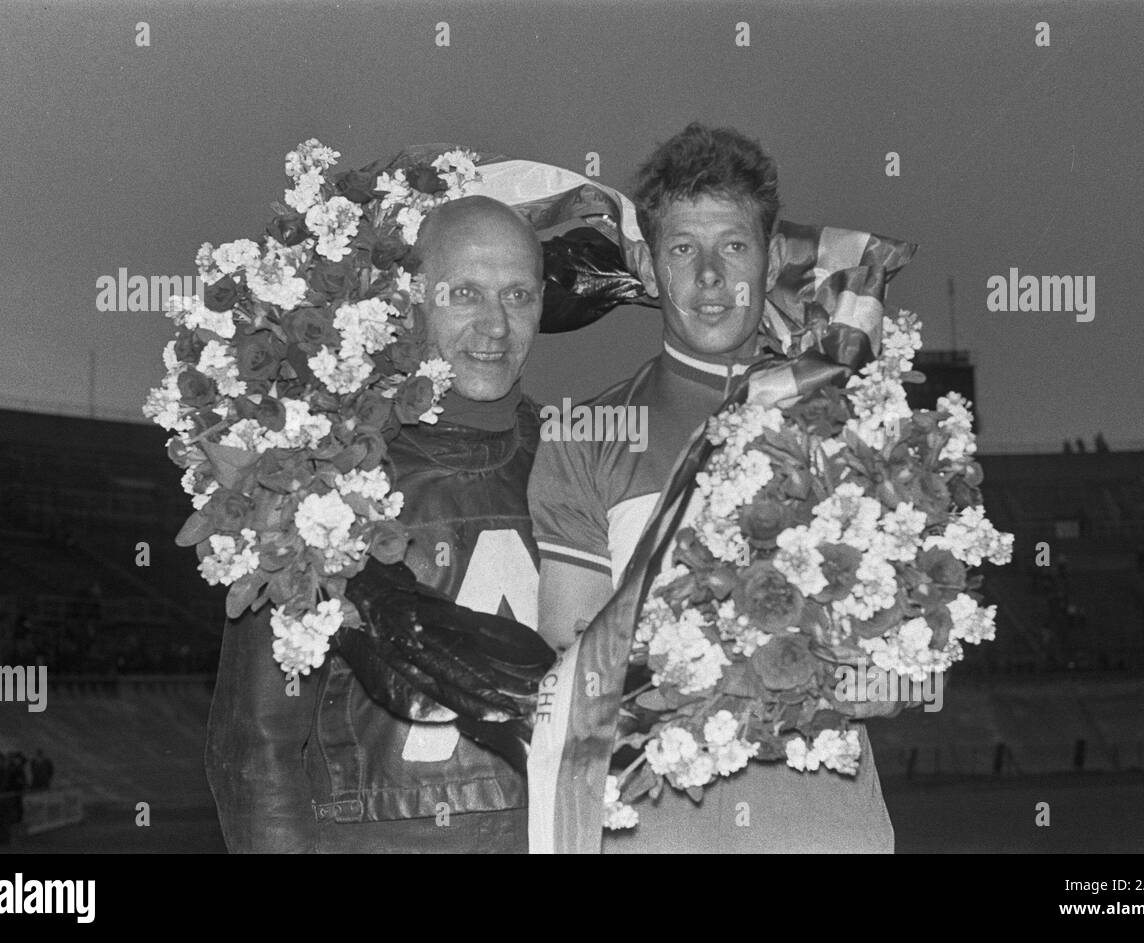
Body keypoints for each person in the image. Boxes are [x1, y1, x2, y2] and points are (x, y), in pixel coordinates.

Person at [528, 124, 895, 852]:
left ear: (774, 256)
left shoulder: (849, 416)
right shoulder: (586, 435)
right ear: (645, 262)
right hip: (655, 823)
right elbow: (569, 660)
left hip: (825, 819)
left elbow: (889, 680)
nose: (708, 279)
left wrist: (841, 680)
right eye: (681, 249)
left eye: (732, 246)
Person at [206, 195, 549, 853]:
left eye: (518, 295)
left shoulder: (579, 463)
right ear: (413, 297)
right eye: (465, 293)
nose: (495, 325)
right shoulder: (317, 471)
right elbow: (256, 746)